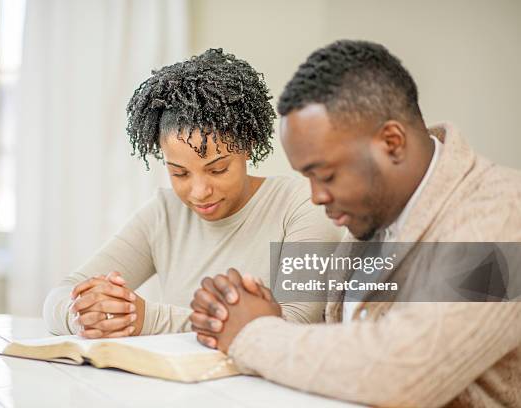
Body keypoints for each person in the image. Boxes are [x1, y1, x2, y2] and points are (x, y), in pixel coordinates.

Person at [190, 40, 521, 407]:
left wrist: (255, 332)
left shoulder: (504, 217)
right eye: (307, 177)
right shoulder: (374, 215)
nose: (316, 196)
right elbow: (352, 349)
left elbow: (402, 372)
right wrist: (265, 317)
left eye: (327, 175)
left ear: (392, 142)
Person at [42, 48, 342, 339]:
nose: (199, 192)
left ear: (248, 145)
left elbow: (294, 324)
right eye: (179, 173)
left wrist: (149, 319)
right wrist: (82, 313)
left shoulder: (302, 204)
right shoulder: (164, 214)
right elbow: (60, 295)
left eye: (218, 169)